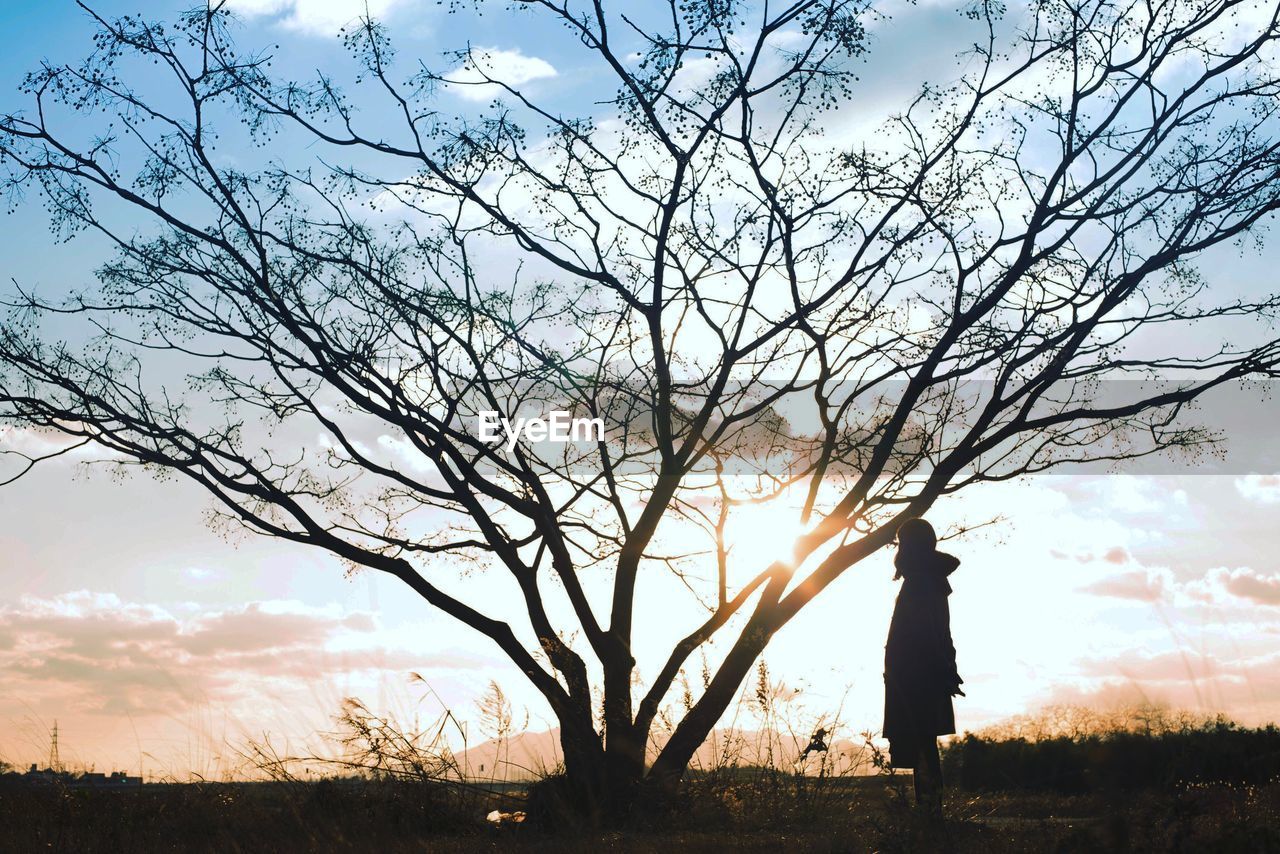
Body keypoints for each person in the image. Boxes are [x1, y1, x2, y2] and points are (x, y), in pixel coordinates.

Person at [883, 517, 964, 816]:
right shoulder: (928, 579)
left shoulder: (920, 582)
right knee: (922, 743)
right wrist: (947, 667)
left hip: (916, 675)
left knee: (922, 743)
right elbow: (942, 632)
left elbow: (929, 632)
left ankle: (930, 815)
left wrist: (944, 669)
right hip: (922, 672)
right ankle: (929, 814)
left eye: (903, 542)